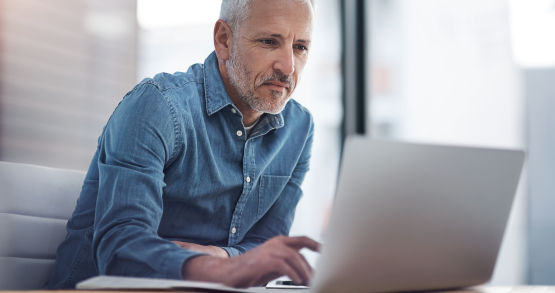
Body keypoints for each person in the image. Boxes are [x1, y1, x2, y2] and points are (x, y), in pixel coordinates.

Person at [44, 0, 319, 289]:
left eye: (300, 47)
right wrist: (221, 269)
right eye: (268, 41)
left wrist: (223, 257)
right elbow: (120, 249)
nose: (287, 66)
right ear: (224, 40)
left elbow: (267, 245)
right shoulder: (157, 106)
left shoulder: (299, 128)